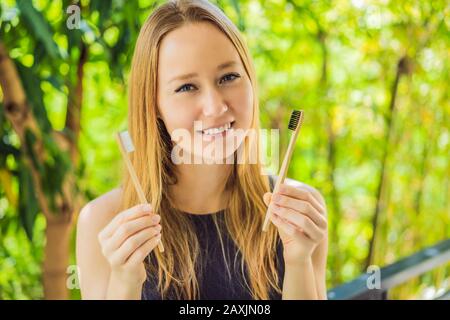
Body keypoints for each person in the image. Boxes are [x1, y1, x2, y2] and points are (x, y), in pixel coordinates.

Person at [76, 0, 328, 300]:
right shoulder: (102, 222)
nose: (216, 106)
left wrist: (298, 261)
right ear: (153, 104)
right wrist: (125, 281)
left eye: (228, 77)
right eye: (186, 87)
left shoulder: (300, 214)